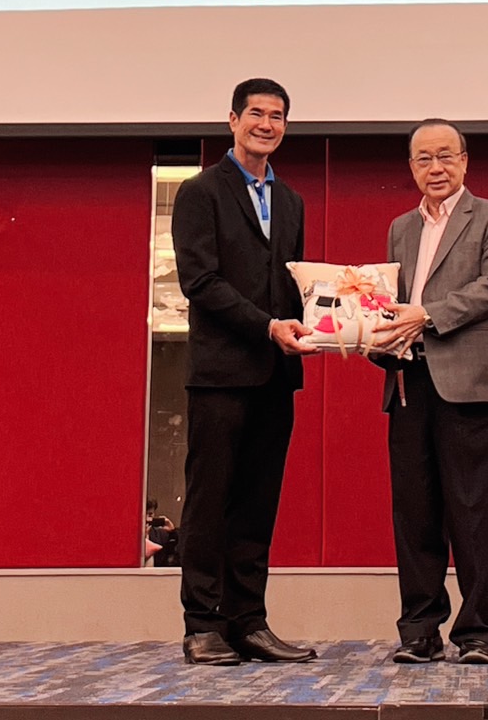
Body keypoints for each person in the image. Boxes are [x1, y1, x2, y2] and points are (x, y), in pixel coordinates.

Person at [172, 78, 318, 666]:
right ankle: (202, 625)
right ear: (232, 120)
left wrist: (330, 323)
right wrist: (267, 326)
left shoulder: (292, 201)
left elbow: (294, 283)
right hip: (220, 375)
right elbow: (200, 281)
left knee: (258, 503)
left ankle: (248, 622)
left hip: (276, 375)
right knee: (210, 502)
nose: (266, 124)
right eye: (255, 113)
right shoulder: (199, 191)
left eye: (277, 115)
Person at [371, 120, 488, 665]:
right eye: (423, 159)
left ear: (464, 161)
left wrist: (426, 315)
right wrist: (367, 331)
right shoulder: (400, 227)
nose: (435, 168)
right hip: (407, 382)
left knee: (472, 512)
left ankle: (478, 633)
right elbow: (390, 301)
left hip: (467, 384)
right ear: (411, 168)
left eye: (445, 156)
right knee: (414, 514)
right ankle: (419, 631)